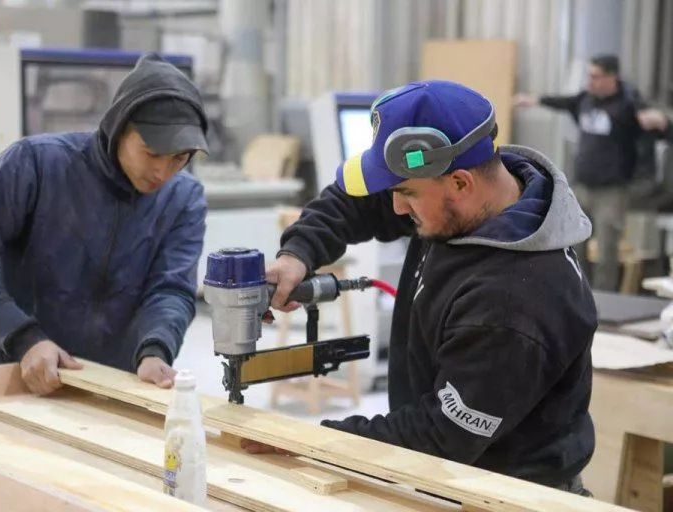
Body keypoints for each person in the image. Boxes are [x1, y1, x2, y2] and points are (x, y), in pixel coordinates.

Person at [244, 80, 597, 495]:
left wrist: (313, 441)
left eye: (406, 193)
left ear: (462, 184)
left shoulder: (516, 300)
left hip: (506, 496)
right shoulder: (468, 195)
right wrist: (298, 253)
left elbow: (439, 437)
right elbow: (356, 200)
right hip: (452, 476)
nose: (395, 208)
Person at [0, 53, 208, 395]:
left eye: (179, 159)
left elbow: (171, 289)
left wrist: (155, 349)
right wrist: (23, 338)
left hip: (110, 387)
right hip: (14, 378)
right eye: (151, 153)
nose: (162, 172)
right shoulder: (35, 164)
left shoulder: (184, 198)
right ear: (119, 126)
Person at [514, 54, 668, 291]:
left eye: (596, 76)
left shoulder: (629, 103)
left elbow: (658, 124)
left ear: (611, 77)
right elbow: (563, 102)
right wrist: (534, 99)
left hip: (612, 190)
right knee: (575, 244)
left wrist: (662, 121)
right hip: (583, 186)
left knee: (606, 250)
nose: (590, 81)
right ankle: (577, 294)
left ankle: (604, 300)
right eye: (589, 75)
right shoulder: (586, 99)